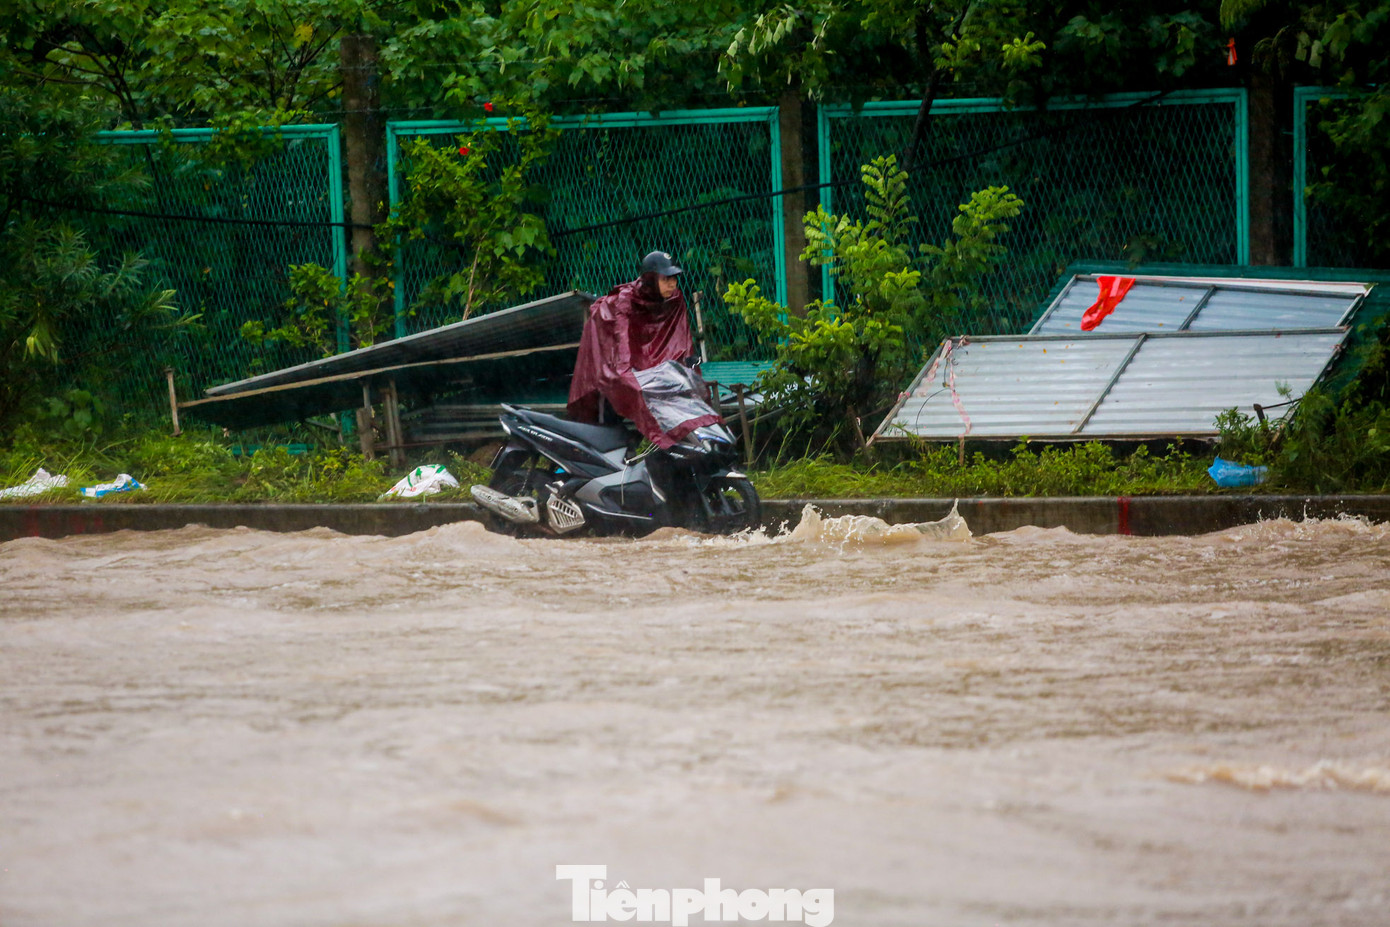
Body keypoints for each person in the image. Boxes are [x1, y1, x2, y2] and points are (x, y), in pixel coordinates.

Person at [567, 250, 718, 447]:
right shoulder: (625, 301)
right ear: (650, 279)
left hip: (648, 368)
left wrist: (689, 371)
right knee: (606, 426)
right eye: (666, 279)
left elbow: (681, 341)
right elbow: (620, 347)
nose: (672, 284)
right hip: (609, 366)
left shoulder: (674, 299)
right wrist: (626, 374)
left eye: (674, 278)